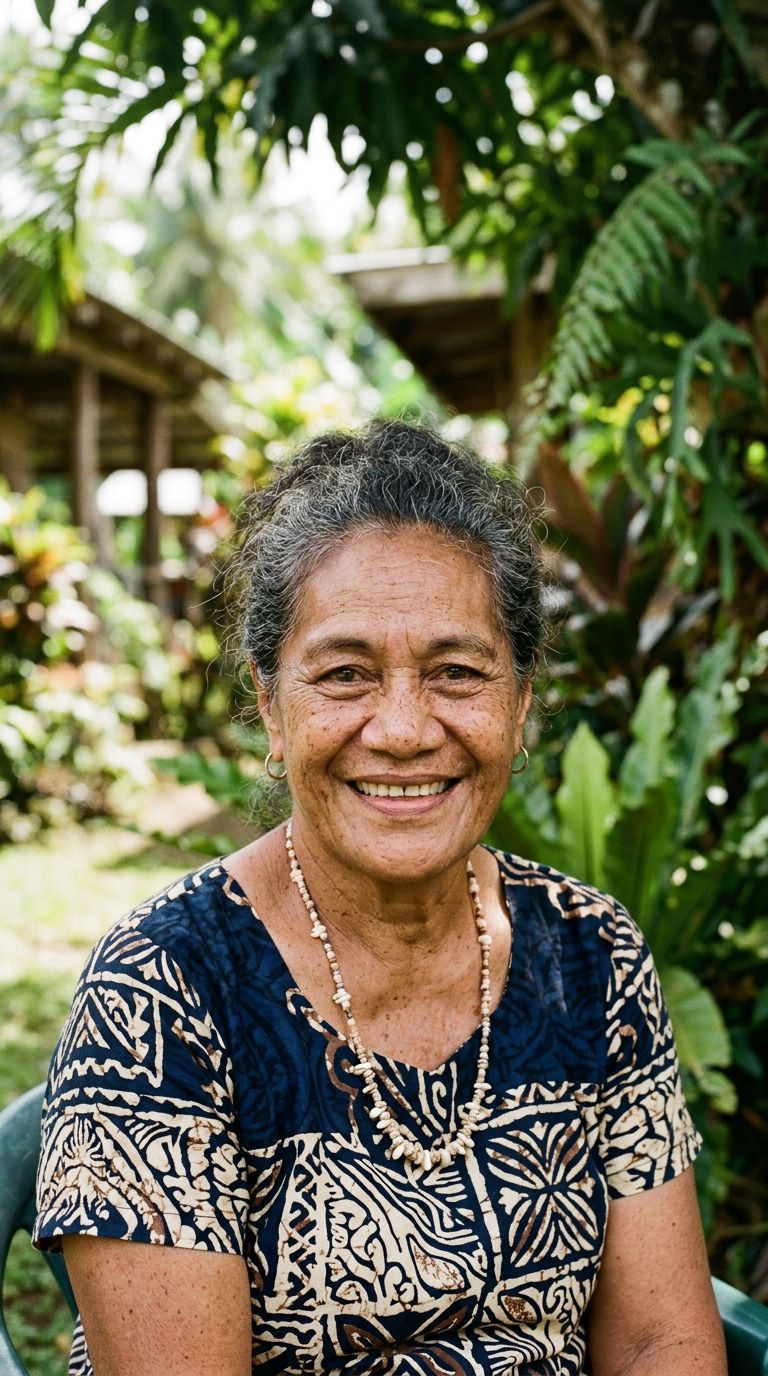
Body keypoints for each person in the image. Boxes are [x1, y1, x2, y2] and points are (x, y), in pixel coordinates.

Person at [33, 420, 726, 1376]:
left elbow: (661, 1342)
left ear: (520, 706)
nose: (402, 729)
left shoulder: (592, 955)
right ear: (273, 710)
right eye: (346, 673)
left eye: (456, 672)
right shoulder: (162, 991)